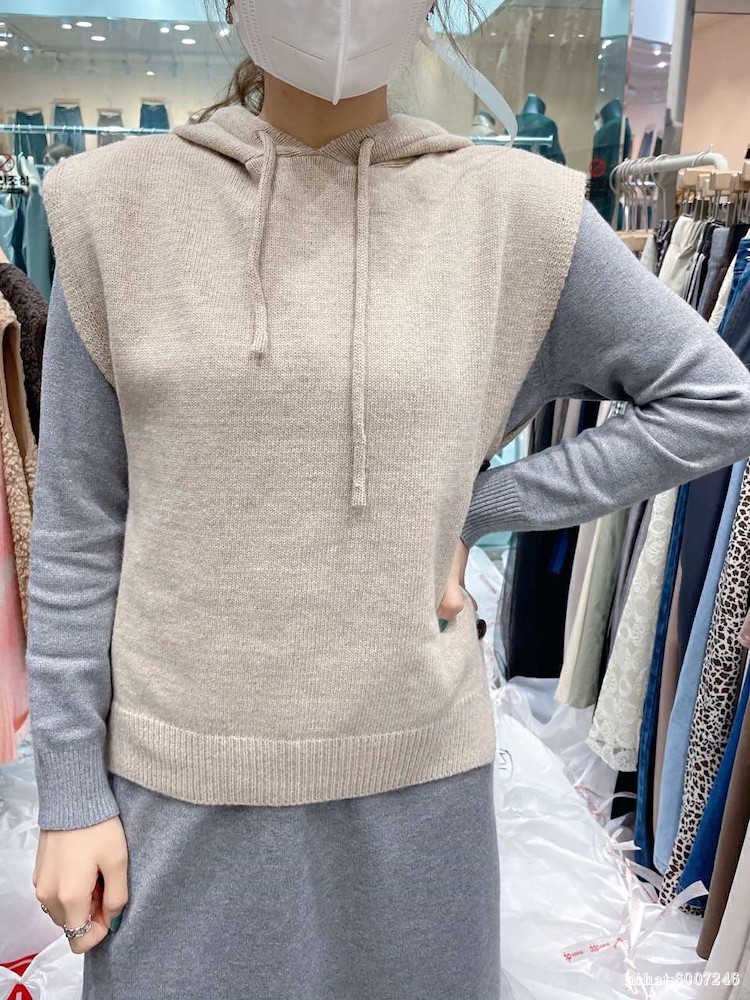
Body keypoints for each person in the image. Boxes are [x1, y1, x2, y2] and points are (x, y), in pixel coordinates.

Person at [26, 2, 750, 998]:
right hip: (175, 794)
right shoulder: (111, 209)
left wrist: (479, 506)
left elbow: (714, 401)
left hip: (416, 797)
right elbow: (76, 533)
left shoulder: (514, 214)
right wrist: (70, 788)